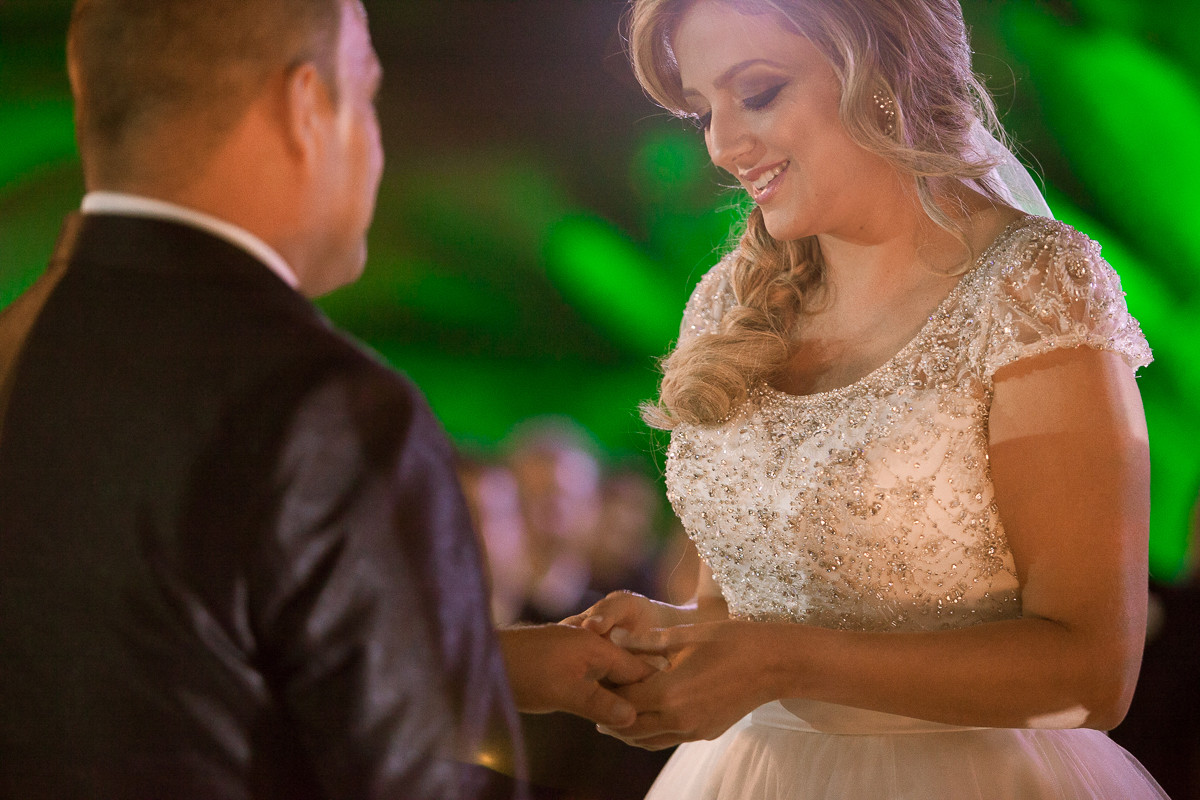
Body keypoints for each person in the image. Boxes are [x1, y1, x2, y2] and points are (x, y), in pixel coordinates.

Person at [0, 1, 649, 797]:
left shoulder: (16, 350)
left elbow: (131, 663)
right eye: (368, 97)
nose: (375, 148)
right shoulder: (327, 409)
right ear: (305, 107)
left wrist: (474, 661)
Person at [569, 0, 1171, 796]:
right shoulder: (728, 304)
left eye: (756, 93)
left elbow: (1092, 675)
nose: (721, 144)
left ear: (881, 69)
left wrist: (781, 658)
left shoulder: (1031, 287)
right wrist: (673, 641)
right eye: (704, 109)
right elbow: (735, 607)